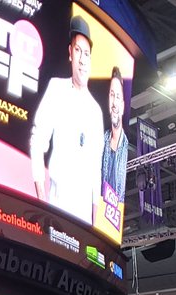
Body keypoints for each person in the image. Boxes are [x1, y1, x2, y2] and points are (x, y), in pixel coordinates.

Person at [29, 15, 103, 224]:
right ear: (70, 53)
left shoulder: (95, 111)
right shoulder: (57, 89)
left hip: (82, 218)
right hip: (56, 207)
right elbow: (38, 140)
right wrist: (41, 200)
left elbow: (96, 170)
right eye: (78, 50)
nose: (82, 59)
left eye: (86, 53)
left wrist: (95, 227)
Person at [101, 67, 128, 206]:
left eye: (118, 96)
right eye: (112, 95)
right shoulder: (101, 141)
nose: (114, 104)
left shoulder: (124, 144)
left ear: (123, 106)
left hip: (113, 217)